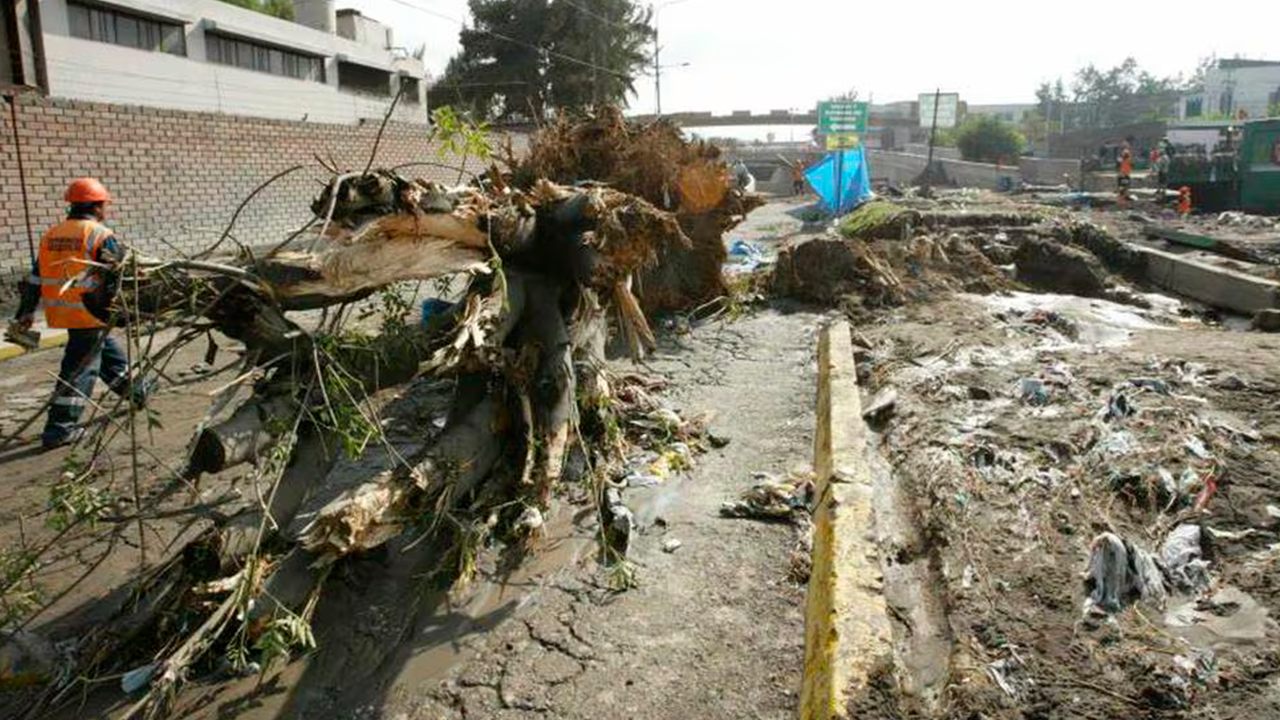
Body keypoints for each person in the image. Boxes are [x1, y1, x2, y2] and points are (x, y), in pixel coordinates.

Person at [11, 178, 150, 449]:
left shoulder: (51, 235)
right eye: (104, 206)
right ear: (97, 206)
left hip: (63, 312)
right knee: (79, 371)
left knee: (107, 354)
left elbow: (35, 278)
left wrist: (25, 313)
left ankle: (136, 393)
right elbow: (121, 276)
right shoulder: (99, 235)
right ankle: (59, 430)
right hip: (90, 311)